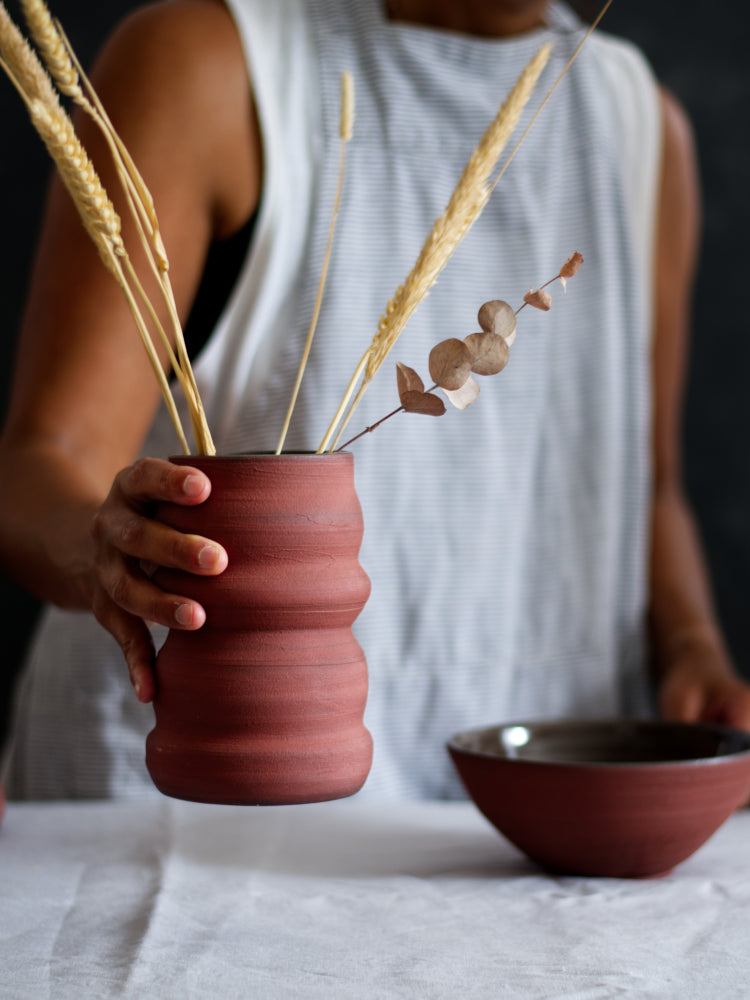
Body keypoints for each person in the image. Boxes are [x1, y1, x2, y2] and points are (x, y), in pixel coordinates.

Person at [2, 0, 750, 799]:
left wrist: (693, 646)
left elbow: (650, 488)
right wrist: (101, 553)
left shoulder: (641, 127)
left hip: (514, 811)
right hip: (192, 793)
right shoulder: (210, 66)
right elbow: (38, 466)